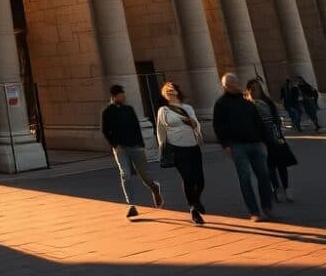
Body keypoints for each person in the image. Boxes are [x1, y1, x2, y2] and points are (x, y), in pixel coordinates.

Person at [213, 72, 274, 221]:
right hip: (237, 146)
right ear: (224, 86)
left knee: (264, 175)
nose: (234, 85)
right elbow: (218, 126)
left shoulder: (247, 103)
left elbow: (258, 123)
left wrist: (264, 141)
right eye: (230, 83)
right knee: (245, 178)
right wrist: (225, 144)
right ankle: (254, 211)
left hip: (255, 144)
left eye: (235, 82)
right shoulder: (220, 104)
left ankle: (267, 206)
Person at [101, 84, 163, 218]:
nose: (123, 97)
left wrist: (141, 144)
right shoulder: (107, 112)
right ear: (114, 96)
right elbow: (105, 130)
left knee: (145, 175)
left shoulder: (129, 109)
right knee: (125, 174)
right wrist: (114, 144)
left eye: (123, 94)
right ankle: (131, 205)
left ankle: (154, 187)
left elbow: (136, 127)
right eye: (121, 95)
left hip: (135, 146)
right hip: (120, 148)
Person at [155, 81, 206, 225]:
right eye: (167, 90)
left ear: (177, 92)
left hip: (193, 146)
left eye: (172, 90)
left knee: (200, 181)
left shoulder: (187, 108)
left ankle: (196, 199)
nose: (170, 92)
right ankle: (193, 208)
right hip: (176, 148)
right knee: (188, 178)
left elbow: (196, 124)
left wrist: (193, 124)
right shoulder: (163, 110)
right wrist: (162, 149)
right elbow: (160, 131)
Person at [245, 77, 297, 202]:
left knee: (281, 164)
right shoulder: (248, 105)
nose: (254, 90)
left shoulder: (267, 101)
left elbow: (276, 119)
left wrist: (277, 132)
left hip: (275, 136)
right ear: (248, 90)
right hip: (262, 139)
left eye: (257, 88)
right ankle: (277, 189)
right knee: (270, 166)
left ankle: (286, 188)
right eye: (252, 88)